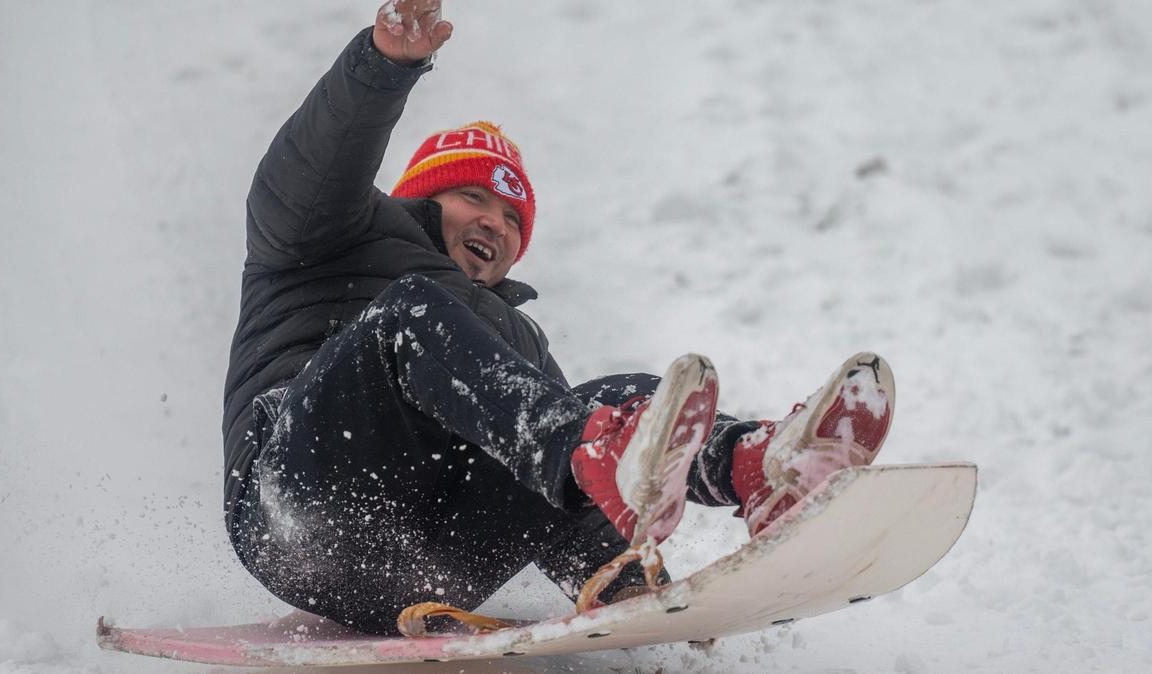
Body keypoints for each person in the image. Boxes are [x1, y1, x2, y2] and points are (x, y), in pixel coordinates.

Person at [221, 0, 895, 635]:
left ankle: (758, 469)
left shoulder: (507, 336)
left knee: (601, 401)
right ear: (420, 198)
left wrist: (616, 579)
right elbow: (310, 169)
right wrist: (383, 64)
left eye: (513, 218)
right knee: (418, 320)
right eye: (472, 195)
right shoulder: (329, 230)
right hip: (297, 510)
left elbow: (552, 453)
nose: (495, 220)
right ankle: (623, 457)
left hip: (431, 562)